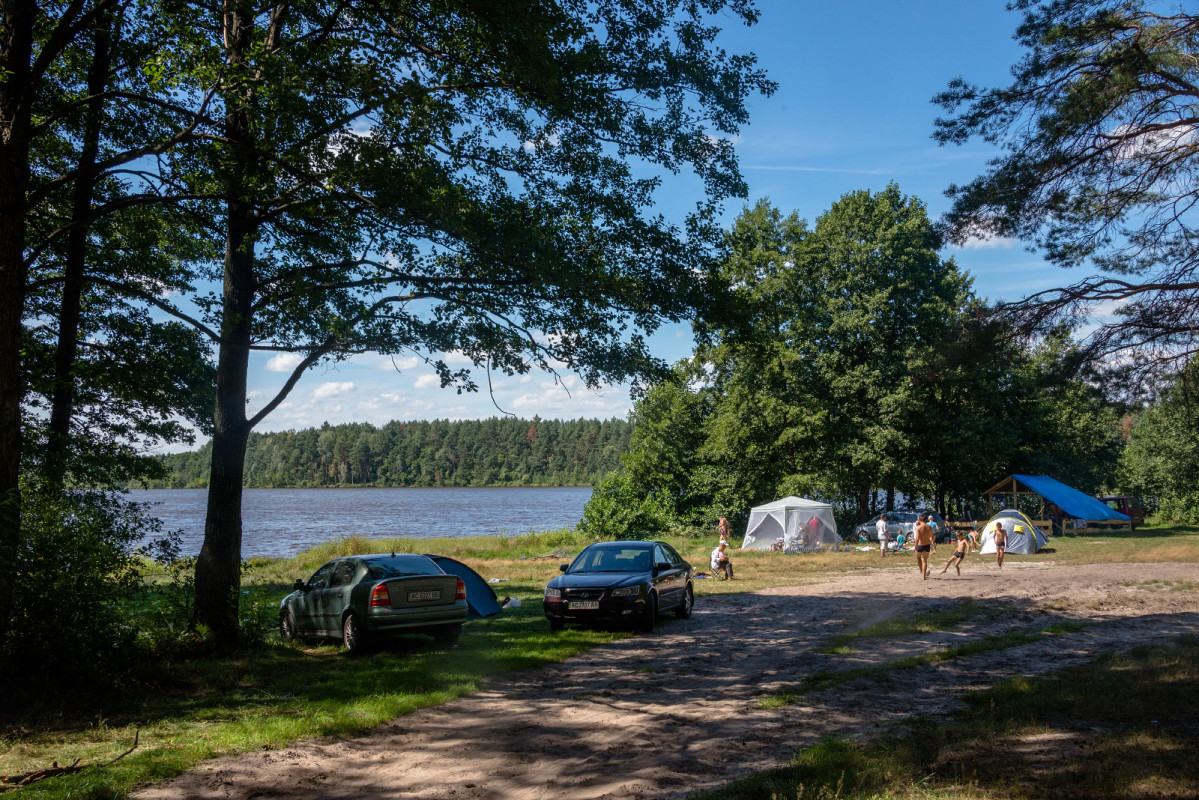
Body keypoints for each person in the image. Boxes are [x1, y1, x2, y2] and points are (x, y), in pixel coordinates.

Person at [913, 513, 935, 580]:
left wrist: (915, 547)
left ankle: (921, 571)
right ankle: (923, 576)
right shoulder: (929, 527)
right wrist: (930, 542)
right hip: (927, 545)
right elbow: (932, 536)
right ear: (925, 520)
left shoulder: (918, 527)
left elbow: (917, 538)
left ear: (919, 520)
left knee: (918, 558)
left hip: (920, 545)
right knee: (924, 561)